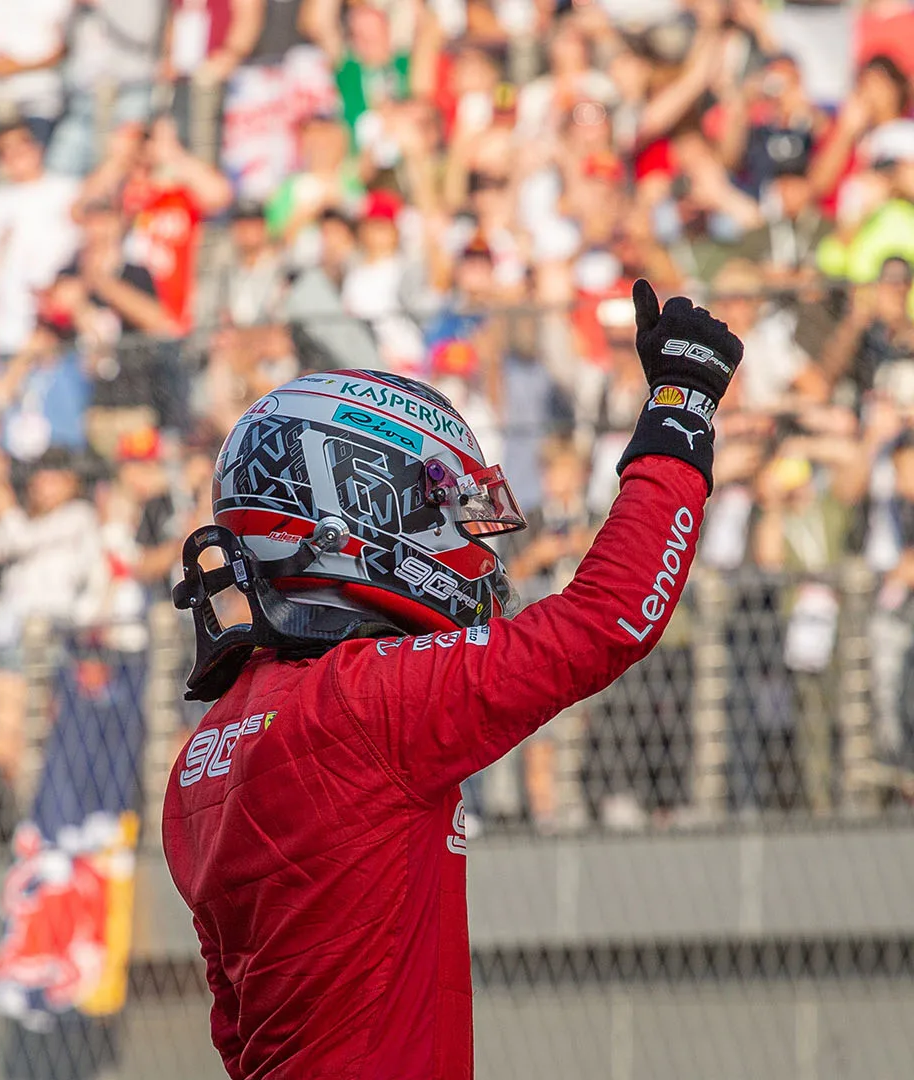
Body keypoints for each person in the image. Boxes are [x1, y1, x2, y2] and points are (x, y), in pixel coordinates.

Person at [161, 281, 744, 1078]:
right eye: (442, 508)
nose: (470, 544)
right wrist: (682, 410)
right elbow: (609, 620)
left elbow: (237, 1030)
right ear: (355, 506)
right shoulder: (358, 701)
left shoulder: (203, 751)